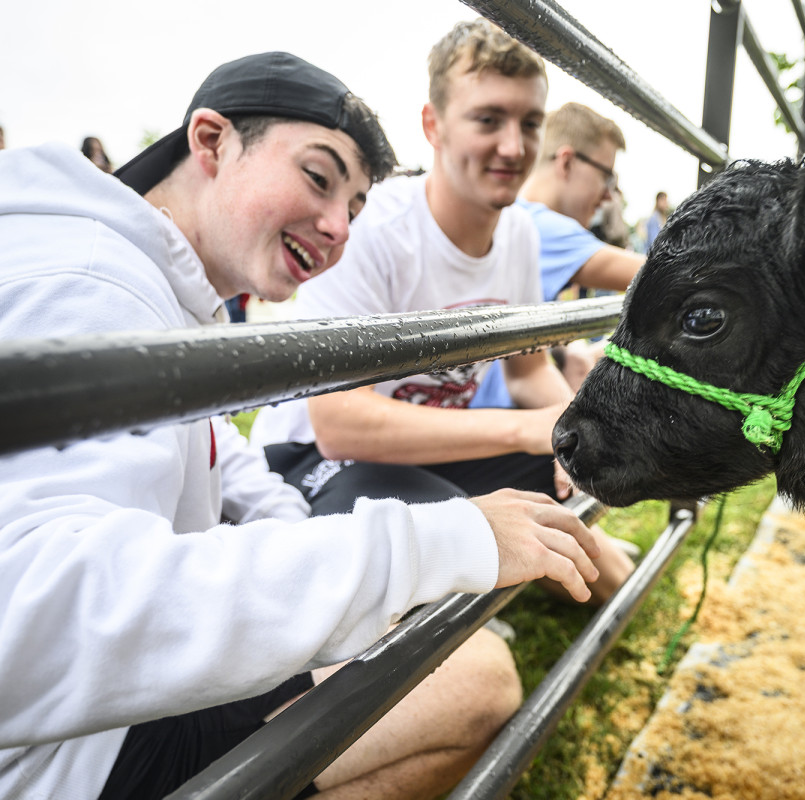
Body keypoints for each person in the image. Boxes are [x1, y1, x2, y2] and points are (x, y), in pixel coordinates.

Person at [0, 51, 600, 800]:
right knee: (469, 677)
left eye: (354, 206)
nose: (337, 227)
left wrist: (326, 570)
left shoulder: (164, 289)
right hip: (61, 759)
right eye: (319, 178)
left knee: (480, 601)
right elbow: (31, 622)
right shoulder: (91, 286)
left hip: (91, 720)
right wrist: (429, 544)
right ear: (212, 141)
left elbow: (218, 448)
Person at [251, 22, 634, 608]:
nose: (513, 146)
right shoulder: (371, 227)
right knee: (474, 526)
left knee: (590, 475)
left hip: (431, 450)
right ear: (432, 125)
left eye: (530, 123)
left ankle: (503, 581)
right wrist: (527, 431)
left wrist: (568, 427)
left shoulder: (521, 237)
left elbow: (528, 372)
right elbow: (336, 423)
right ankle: (452, 601)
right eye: (488, 120)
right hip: (313, 460)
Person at [470, 101, 644, 406]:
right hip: (498, 422)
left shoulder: (516, 219)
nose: (608, 196)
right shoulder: (543, 227)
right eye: (607, 177)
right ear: (566, 162)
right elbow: (664, 273)